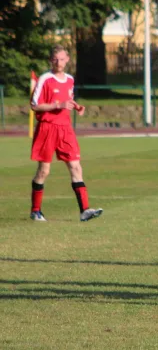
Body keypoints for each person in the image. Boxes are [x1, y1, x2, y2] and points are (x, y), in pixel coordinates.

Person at [29, 45, 103, 222]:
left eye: (62, 59)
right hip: (47, 128)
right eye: (55, 59)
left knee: (76, 167)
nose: (59, 63)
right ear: (50, 60)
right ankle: (35, 210)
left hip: (65, 129)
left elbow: (66, 99)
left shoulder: (70, 79)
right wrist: (57, 105)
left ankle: (84, 210)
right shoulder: (45, 79)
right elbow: (34, 104)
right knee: (44, 171)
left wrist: (75, 106)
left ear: (67, 59)